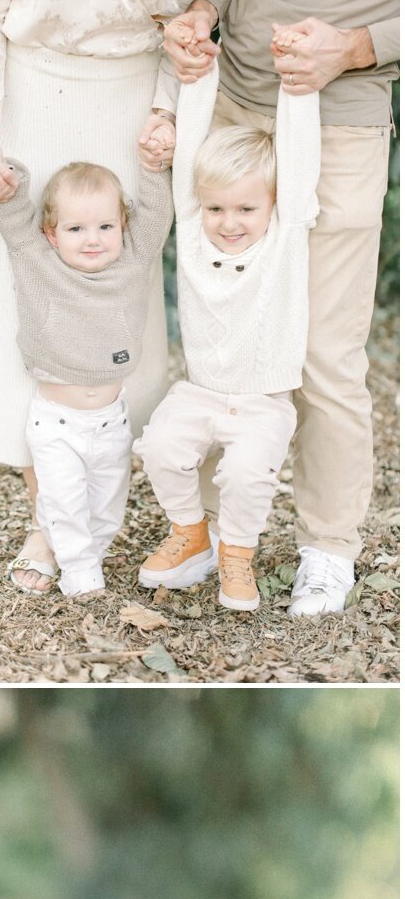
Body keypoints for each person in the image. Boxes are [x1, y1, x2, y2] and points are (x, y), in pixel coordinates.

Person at [0, 0, 230, 593]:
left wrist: (168, 110)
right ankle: (47, 519)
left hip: (134, 105)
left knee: (117, 298)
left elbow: (195, 17)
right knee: (31, 302)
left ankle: (102, 482)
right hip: (31, 96)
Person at [160, 0, 399, 617]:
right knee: (224, 334)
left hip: (345, 116)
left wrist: (357, 46)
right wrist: (203, 13)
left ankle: (327, 549)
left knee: (325, 352)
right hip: (239, 103)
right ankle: (205, 532)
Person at [137, 67, 322, 614]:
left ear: (271, 204)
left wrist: (298, 89)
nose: (229, 222)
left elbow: (300, 159)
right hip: (201, 391)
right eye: (217, 208)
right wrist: (199, 75)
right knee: (160, 446)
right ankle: (191, 533)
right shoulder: (193, 230)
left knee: (245, 475)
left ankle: (237, 553)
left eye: (245, 209)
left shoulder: (286, 235)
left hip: (264, 400)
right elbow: (191, 145)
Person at [0, 151, 173, 597]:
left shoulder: (133, 259)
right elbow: (11, 216)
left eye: (105, 226)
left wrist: (152, 166)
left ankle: (86, 551)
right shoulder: (38, 261)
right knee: (65, 503)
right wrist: (10, 182)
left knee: (106, 510)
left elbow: (159, 212)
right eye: (75, 229)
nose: (93, 240)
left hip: (112, 421)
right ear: (51, 234)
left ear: (122, 228)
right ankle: (80, 573)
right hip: (56, 423)